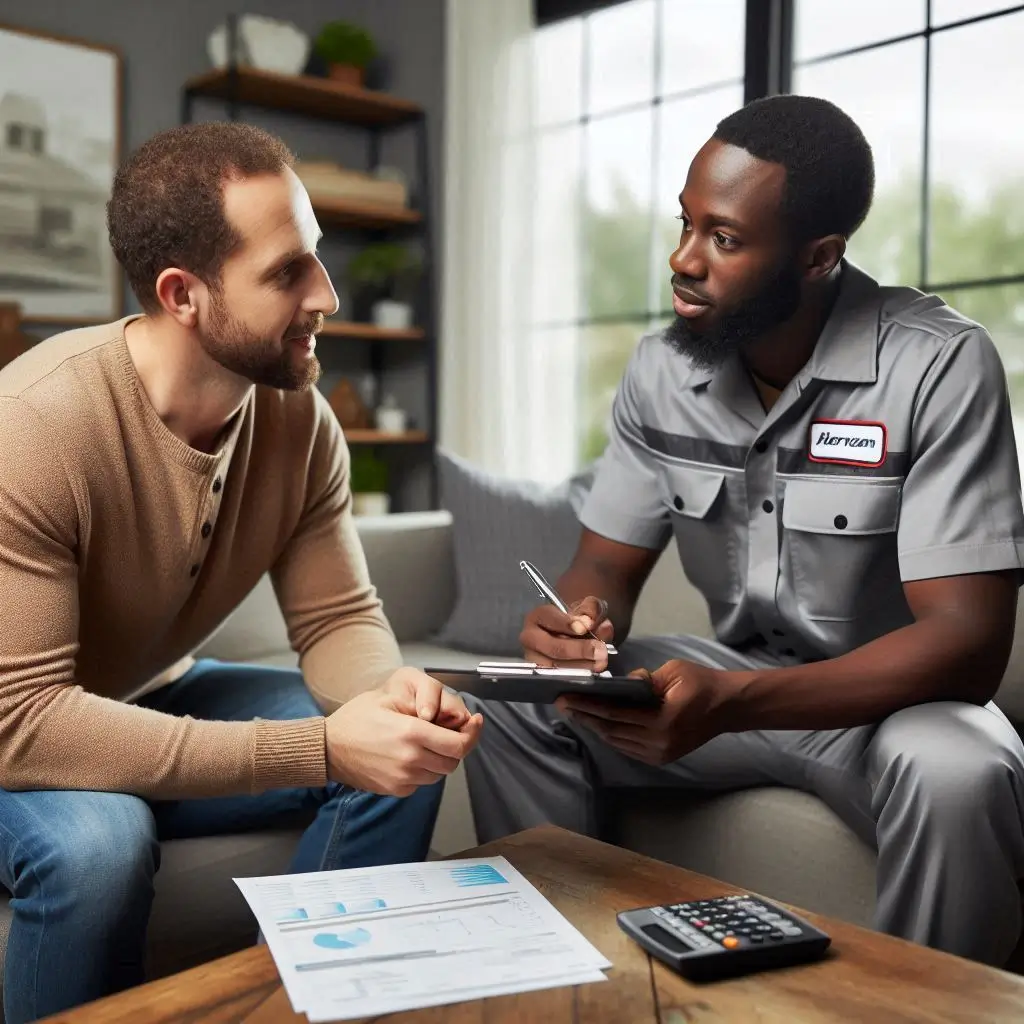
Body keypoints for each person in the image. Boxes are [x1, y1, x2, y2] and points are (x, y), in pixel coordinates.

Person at [461, 94, 1024, 967]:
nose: (683, 260)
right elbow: (603, 566)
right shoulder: (658, 373)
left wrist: (734, 705)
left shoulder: (939, 365)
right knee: (517, 703)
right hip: (737, 683)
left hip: (891, 706)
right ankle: (561, 978)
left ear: (819, 257)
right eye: (684, 225)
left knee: (963, 773)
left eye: (722, 239)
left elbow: (968, 645)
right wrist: (576, 627)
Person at [0, 121, 483, 1023]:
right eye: (287, 271)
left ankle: (277, 1009)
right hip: (19, 727)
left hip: (150, 692)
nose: (328, 296)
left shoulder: (299, 423)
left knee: (402, 755)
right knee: (100, 849)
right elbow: (25, 723)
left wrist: (391, 697)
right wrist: (323, 745)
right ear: (183, 295)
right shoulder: (34, 428)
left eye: (320, 259)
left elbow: (338, 618)